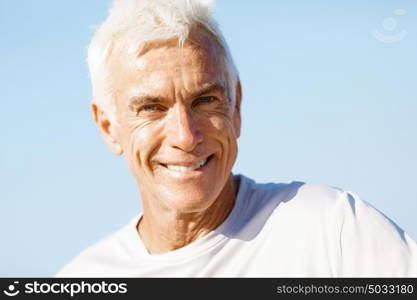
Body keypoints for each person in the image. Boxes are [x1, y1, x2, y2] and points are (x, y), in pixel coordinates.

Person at [56, 0, 417, 277]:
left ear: (237, 106)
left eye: (206, 100)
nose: (185, 136)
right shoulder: (85, 277)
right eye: (151, 107)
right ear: (108, 126)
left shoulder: (334, 231)